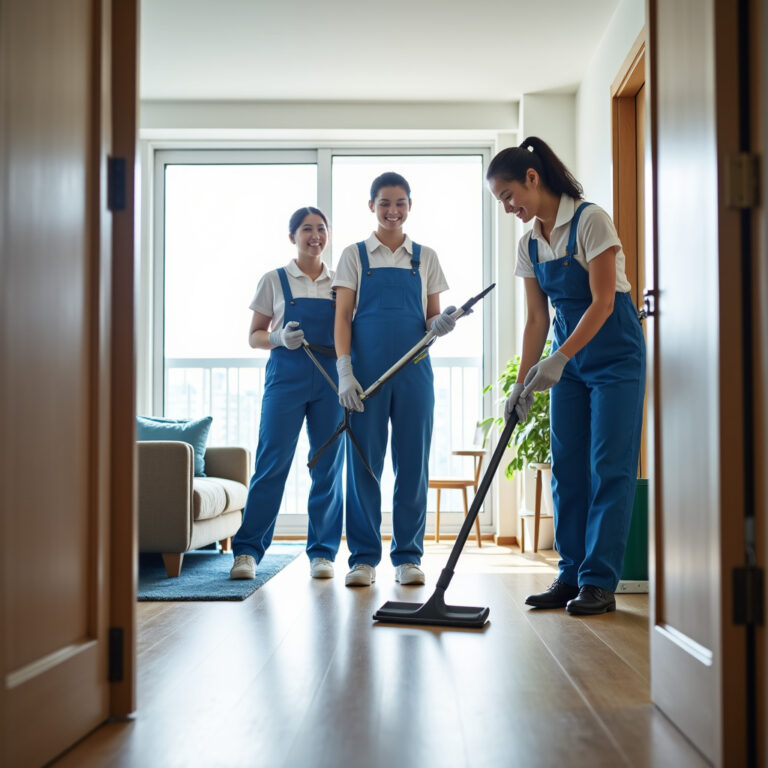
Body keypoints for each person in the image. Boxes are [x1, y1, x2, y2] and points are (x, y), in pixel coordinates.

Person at [487, 137, 646, 615]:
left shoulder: (590, 220)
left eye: (509, 196)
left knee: (609, 466)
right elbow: (537, 319)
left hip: (615, 356)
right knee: (567, 466)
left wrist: (558, 358)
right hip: (568, 363)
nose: (508, 208)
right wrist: (522, 383)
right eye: (501, 202)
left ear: (532, 178)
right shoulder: (530, 244)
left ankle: (598, 581)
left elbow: (603, 301)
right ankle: (571, 572)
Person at [332, 172, 456, 587]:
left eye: (400, 203)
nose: (392, 211)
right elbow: (342, 318)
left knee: (413, 466)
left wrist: (442, 323)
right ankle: (363, 559)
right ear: (372, 206)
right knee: (363, 467)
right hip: (366, 378)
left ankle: (408, 557)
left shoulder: (426, 257)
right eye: (384, 203)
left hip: (414, 374)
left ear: (410, 206)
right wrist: (344, 371)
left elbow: (430, 318)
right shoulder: (354, 256)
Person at [230, 207, 344, 581]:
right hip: (285, 378)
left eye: (321, 229)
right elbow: (254, 336)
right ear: (292, 236)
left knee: (327, 466)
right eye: (307, 229)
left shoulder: (340, 282)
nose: (315, 235)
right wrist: (278, 337)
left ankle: (323, 553)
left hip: (330, 380)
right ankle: (247, 552)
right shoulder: (274, 280)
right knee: (272, 463)